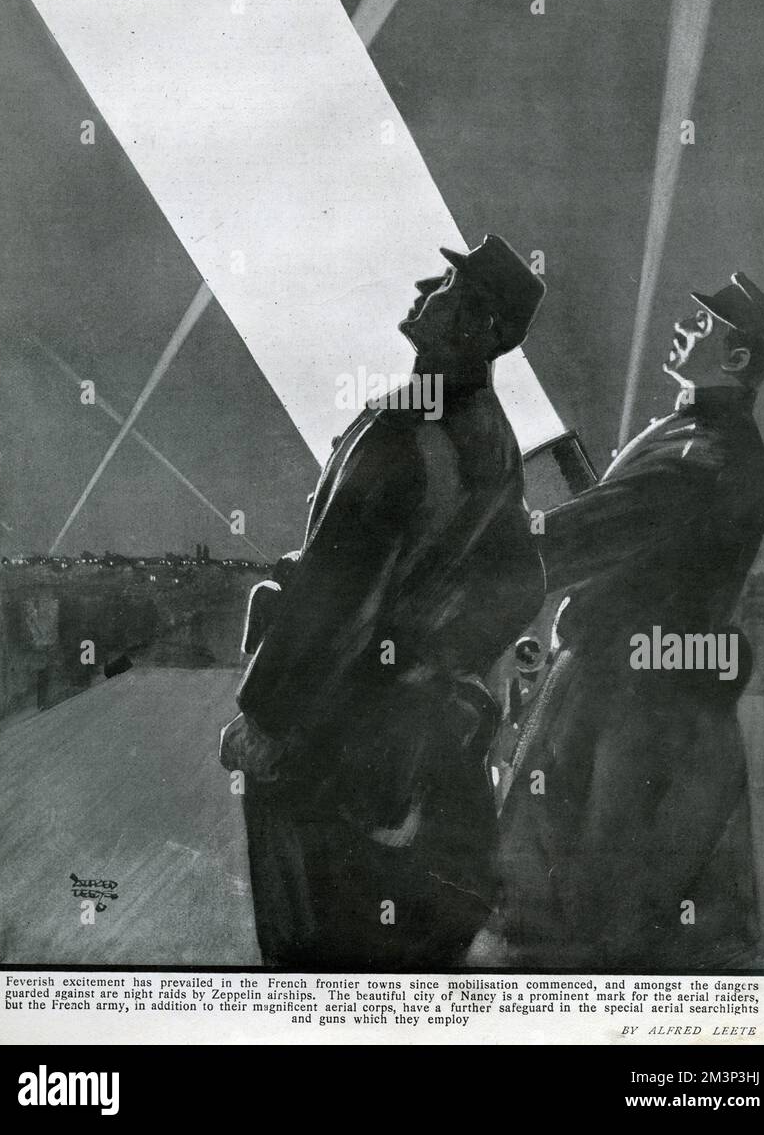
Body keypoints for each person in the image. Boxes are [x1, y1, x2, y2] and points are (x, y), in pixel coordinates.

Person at [220, 234, 548, 967]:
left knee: (307, 946)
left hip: (329, 732)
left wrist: (266, 719)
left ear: (480, 326)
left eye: (448, 284)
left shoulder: (405, 427)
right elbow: (520, 576)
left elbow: (339, 595)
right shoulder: (490, 433)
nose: (425, 286)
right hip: (409, 734)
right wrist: (441, 661)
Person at [476, 271, 764, 971]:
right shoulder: (695, 434)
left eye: (701, 327)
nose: (682, 327)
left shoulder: (703, 451)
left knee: (578, 903)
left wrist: (502, 527)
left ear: (735, 360)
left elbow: (592, 534)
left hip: (626, 703)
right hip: (648, 688)